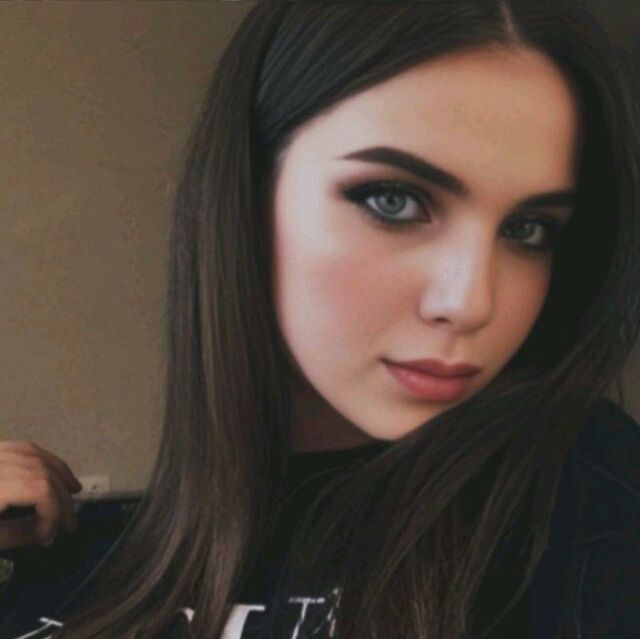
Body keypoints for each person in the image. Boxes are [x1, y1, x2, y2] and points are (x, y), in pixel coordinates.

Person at [1, 1, 639, 637]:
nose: (470, 303)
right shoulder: (69, 553)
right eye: (394, 200)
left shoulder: (584, 506)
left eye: (528, 229)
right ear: (247, 193)